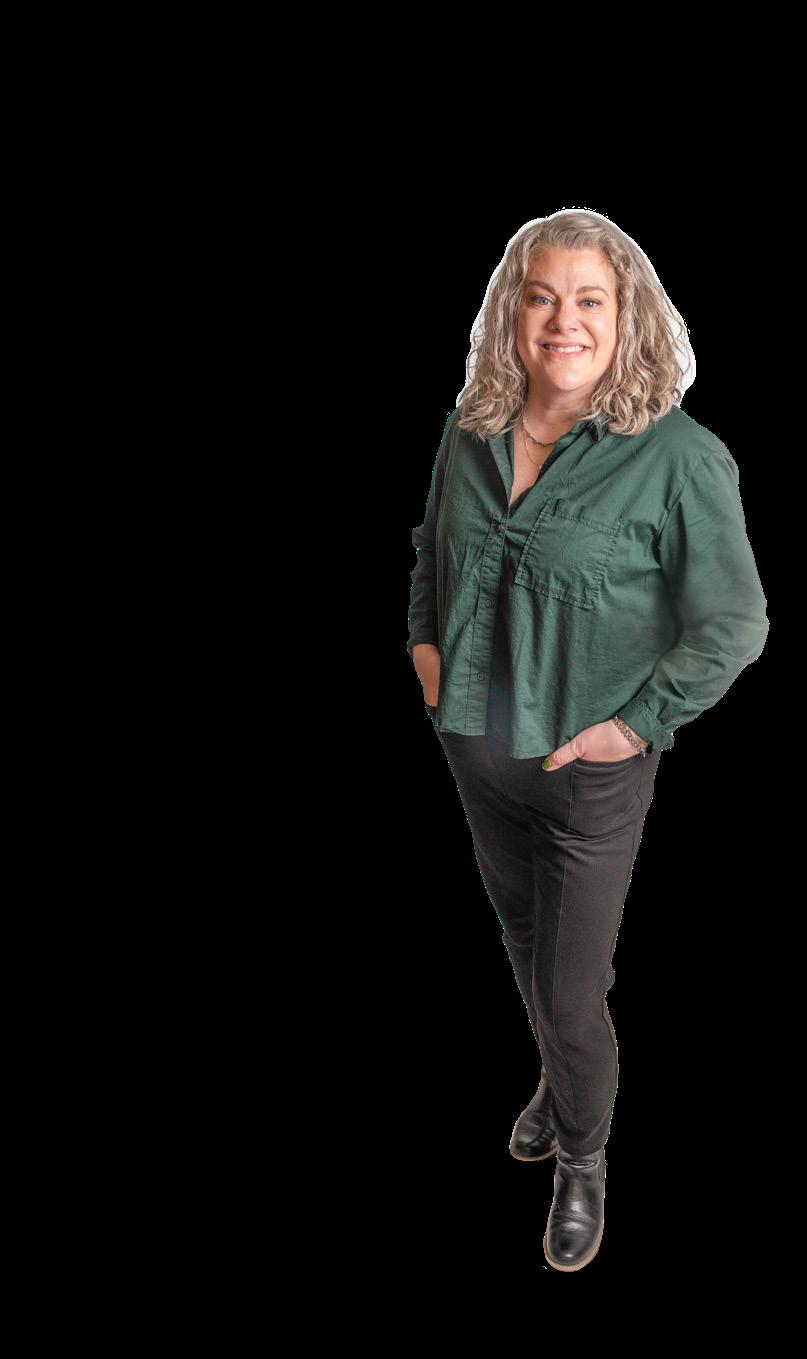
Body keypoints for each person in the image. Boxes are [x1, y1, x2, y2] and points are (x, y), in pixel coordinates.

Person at [405, 210, 769, 1272]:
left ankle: (583, 1157)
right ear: (511, 313)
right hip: (478, 754)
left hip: (588, 777)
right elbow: (431, 550)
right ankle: (561, 1086)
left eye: (589, 299)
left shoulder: (680, 460)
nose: (562, 320)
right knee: (526, 945)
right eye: (541, 296)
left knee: (571, 993)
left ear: (626, 318)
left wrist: (635, 725)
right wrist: (425, 650)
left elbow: (735, 623)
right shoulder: (471, 429)